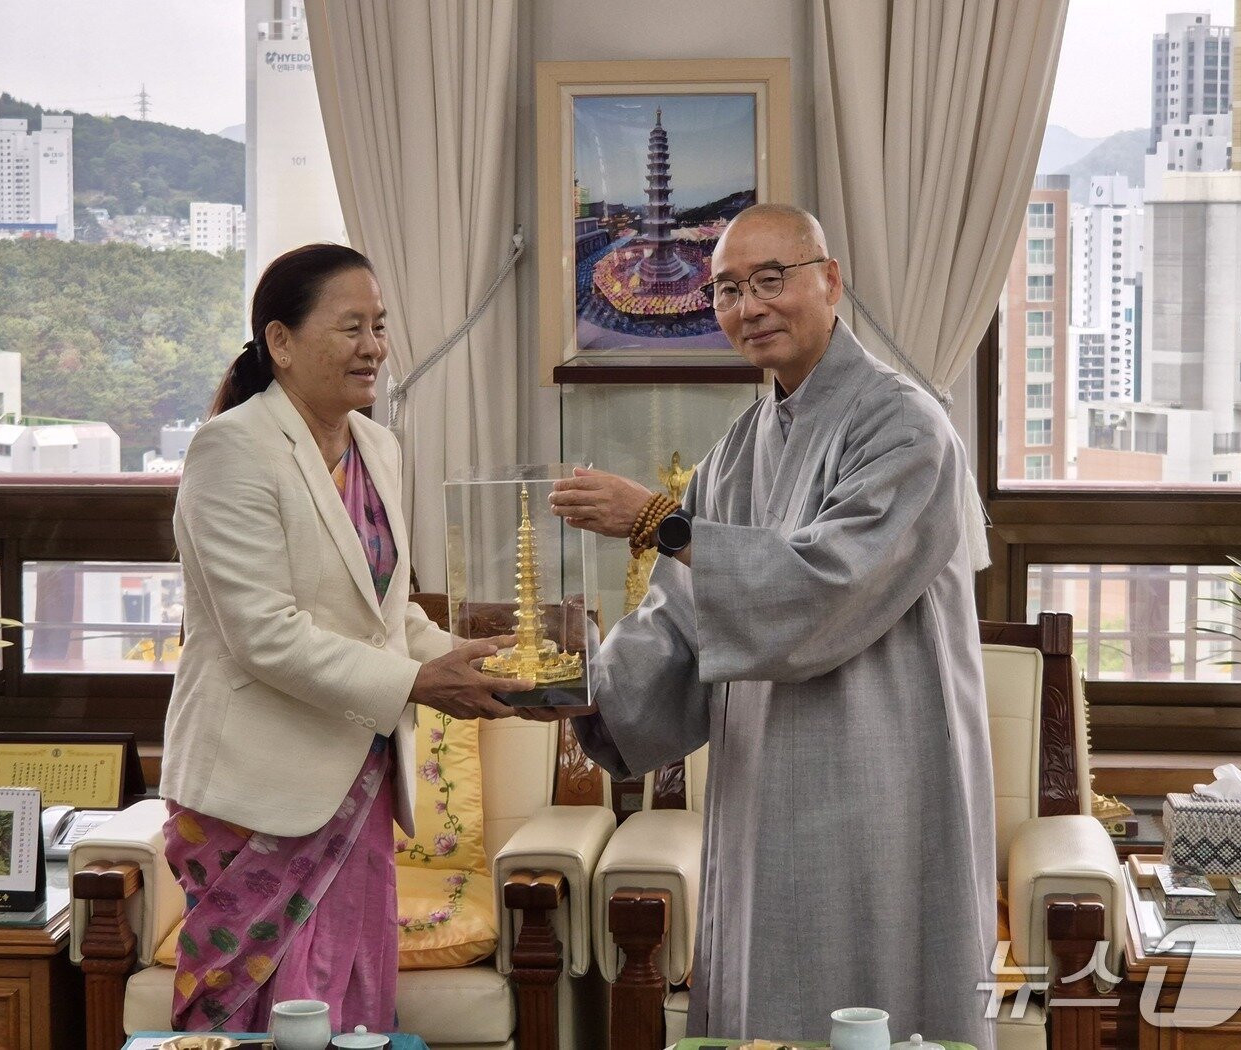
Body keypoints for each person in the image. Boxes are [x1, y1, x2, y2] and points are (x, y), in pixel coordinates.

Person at [548, 204, 997, 1047]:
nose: (747, 306)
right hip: (764, 785)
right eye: (724, 290)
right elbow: (681, 612)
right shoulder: (743, 444)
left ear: (829, 281)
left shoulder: (904, 423)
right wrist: (583, 690)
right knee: (768, 993)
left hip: (884, 769)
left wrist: (658, 522)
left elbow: (828, 587)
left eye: (769, 280)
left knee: (883, 986)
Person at [162, 243, 531, 1033]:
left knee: (349, 1002)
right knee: (253, 1019)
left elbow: (386, 614)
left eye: (381, 326)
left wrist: (462, 662)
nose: (373, 346)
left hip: (354, 784)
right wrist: (413, 685)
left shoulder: (379, 447)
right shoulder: (230, 450)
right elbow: (262, 634)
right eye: (351, 326)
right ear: (282, 342)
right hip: (256, 791)